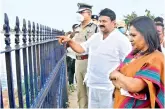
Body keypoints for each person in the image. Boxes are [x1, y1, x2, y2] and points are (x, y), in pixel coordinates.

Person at [58, 8, 132, 108]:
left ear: (113, 23)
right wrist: (69, 41)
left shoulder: (121, 40)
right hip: (93, 84)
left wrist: (120, 85)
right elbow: (81, 49)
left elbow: (128, 64)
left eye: (104, 21)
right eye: (100, 21)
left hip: (109, 87)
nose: (101, 23)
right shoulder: (96, 37)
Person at [110, 16, 164, 108]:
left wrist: (118, 76)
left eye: (133, 35)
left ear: (146, 35)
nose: (130, 39)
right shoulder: (132, 55)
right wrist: (123, 82)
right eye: (129, 35)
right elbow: (112, 79)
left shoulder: (156, 58)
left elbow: (134, 86)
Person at [67, 3, 99, 108]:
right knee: (80, 91)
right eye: (79, 12)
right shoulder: (76, 28)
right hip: (78, 61)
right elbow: (72, 42)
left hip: (90, 61)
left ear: (89, 13)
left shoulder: (96, 28)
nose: (79, 14)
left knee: (91, 90)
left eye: (81, 12)